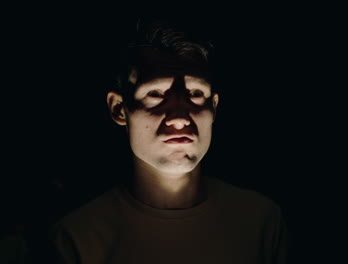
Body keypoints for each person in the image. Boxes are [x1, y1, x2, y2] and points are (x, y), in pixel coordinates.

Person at [46, 17, 289, 263]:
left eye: (195, 94)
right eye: (156, 94)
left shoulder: (261, 222)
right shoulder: (76, 238)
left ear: (214, 108)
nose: (180, 117)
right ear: (119, 109)